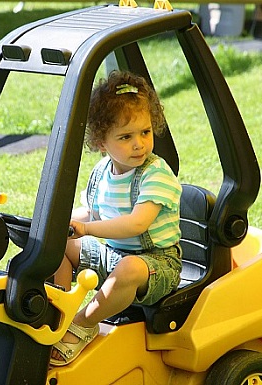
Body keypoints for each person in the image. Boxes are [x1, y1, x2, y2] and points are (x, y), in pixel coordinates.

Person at [50, 70, 182, 366]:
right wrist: (62, 225)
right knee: (55, 244)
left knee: (129, 268)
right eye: (126, 137)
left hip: (155, 264)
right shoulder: (101, 173)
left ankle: (84, 322)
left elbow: (136, 224)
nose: (139, 144)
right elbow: (93, 212)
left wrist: (85, 228)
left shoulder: (156, 174)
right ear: (101, 142)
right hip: (112, 253)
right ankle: (57, 315)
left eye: (145, 132)